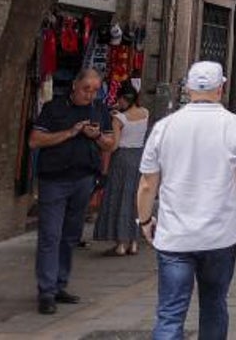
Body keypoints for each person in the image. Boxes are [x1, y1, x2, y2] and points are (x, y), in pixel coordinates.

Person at [137, 61, 236, 339]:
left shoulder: (164, 128)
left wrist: (146, 219)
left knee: (170, 313)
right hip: (220, 236)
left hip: (175, 236)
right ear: (221, 88)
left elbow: (148, 183)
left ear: (187, 88)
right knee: (214, 304)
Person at [29, 69, 115, 314]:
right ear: (75, 86)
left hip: (83, 179)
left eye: (95, 90)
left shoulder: (98, 110)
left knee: (70, 236)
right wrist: (70, 132)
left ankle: (59, 284)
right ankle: (46, 291)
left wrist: (96, 135)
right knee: (50, 235)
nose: (90, 94)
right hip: (55, 180)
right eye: (86, 88)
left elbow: (110, 143)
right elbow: (35, 140)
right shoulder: (54, 108)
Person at [93, 81, 150, 257]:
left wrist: (98, 138)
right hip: (139, 157)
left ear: (122, 99)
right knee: (134, 198)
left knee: (119, 198)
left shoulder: (119, 119)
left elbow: (114, 145)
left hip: (122, 158)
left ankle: (120, 244)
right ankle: (133, 242)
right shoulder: (145, 113)